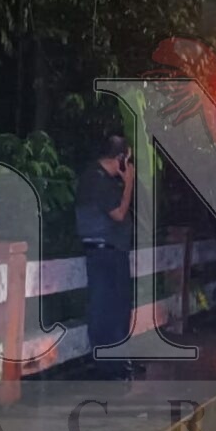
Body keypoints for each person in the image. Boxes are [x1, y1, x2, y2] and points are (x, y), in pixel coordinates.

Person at [75, 132, 136, 380]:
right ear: (120, 158)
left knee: (119, 308)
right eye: (127, 159)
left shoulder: (103, 180)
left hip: (112, 251)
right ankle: (107, 366)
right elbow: (119, 214)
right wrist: (129, 182)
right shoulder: (97, 179)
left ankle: (118, 362)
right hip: (104, 252)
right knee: (106, 311)